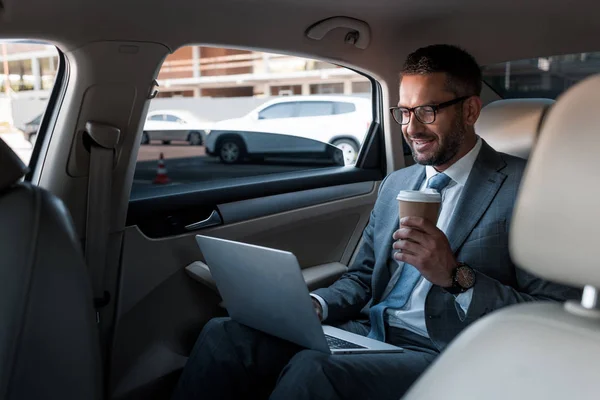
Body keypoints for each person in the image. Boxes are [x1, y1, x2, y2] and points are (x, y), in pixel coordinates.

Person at [172, 44, 580, 400]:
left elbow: (549, 311)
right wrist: (316, 304)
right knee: (224, 334)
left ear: (471, 110)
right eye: (404, 112)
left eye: (427, 111)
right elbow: (364, 278)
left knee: (315, 370)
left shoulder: (528, 189)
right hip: (368, 332)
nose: (411, 128)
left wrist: (454, 276)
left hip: (444, 351)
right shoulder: (396, 184)